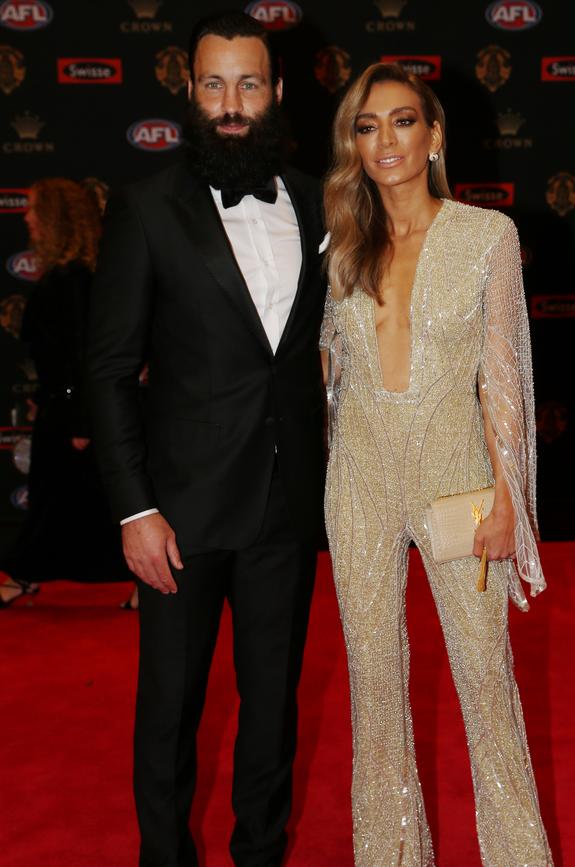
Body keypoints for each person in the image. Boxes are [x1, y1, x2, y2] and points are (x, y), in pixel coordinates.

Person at [86, 12, 326, 867]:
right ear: (190, 91)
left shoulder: (315, 198)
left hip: (287, 509)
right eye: (214, 84)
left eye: (249, 84)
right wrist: (135, 509)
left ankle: (259, 853)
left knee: (272, 710)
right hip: (179, 518)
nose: (232, 103)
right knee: (169, 713)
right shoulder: (148, 209)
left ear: (277, 93)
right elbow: (109, 371)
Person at [320, 63, 553, 866]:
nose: (385, 140)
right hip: (358, 481)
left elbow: (504, 378)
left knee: (488, 684)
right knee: (374, 689)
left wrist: (507, 499)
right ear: (354, 143)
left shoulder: (486, 236)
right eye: (366, 125)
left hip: (457, 478)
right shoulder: (342, 239)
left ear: (435, 135)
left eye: (402, 121)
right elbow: (325, 361)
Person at [0, 178, 126, 607]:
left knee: (67, 502)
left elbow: (78, 356)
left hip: (73, 413)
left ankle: (22, 573)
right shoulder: (71, 277)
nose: (27, 217)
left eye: (35, 209)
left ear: (55, 219)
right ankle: (23, 573)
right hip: (67, 408)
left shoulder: (70, 280)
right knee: (72, 503)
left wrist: (78, 419)